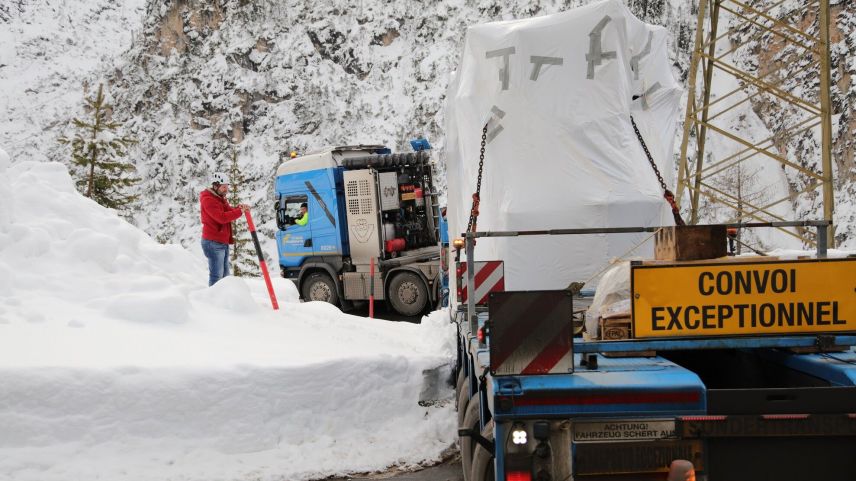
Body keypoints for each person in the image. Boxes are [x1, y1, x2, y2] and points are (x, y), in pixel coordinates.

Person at [200, 172, 249, 286]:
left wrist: (239, 208)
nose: (226, 189)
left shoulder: (220, 198)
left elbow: (228, 211)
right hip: (213, 242)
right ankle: (212, 300)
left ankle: (223, 301)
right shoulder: (208, 200)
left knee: (225, 276)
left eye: (227, 187)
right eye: (223, 187)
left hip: (222, 241)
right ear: (215, 186)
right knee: (217, 276)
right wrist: (239, 212)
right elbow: (221, 218)